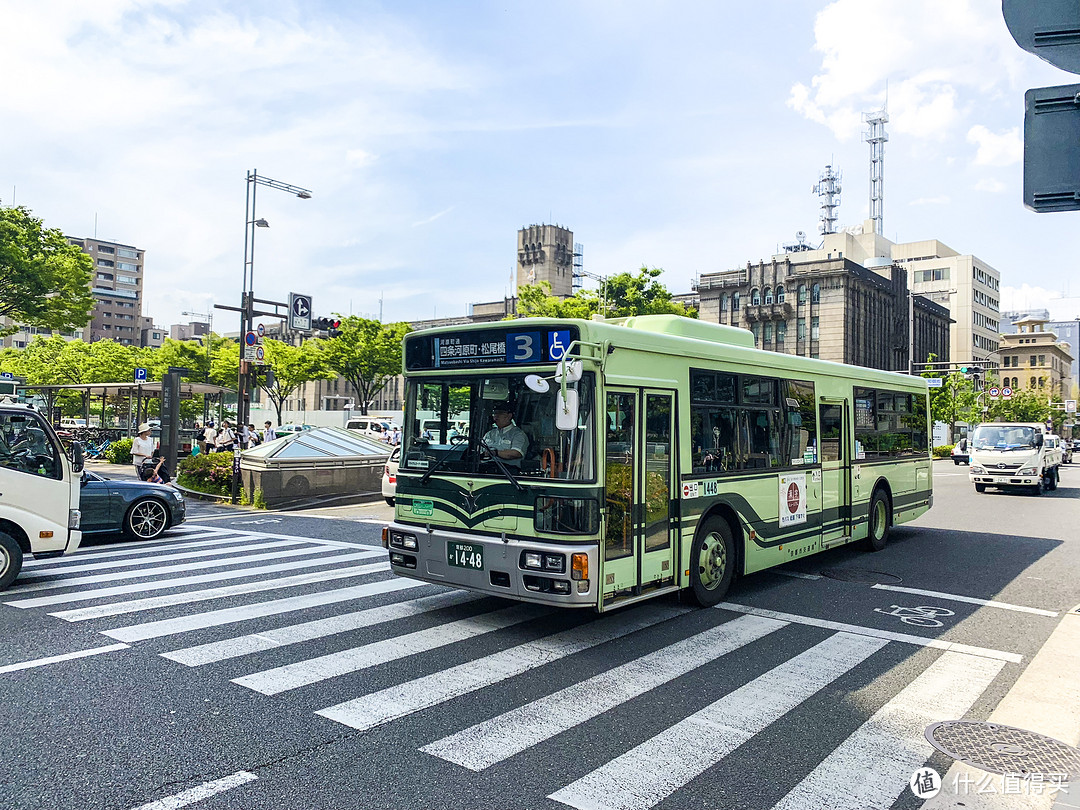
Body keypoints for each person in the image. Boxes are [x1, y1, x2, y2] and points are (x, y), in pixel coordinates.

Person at [481, 402, 528, 468]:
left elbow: (516, 453)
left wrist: (495, 453)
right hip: (486, 468)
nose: (496, 416)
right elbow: (479, 451)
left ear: (509, 416)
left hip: (508, 472)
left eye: (500, 413)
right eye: (495, 413)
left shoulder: (518, 434)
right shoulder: (489, 434)